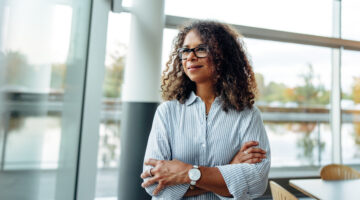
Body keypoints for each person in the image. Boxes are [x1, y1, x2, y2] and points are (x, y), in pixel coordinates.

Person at [140, 20, 270, 200]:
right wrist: (230, 170)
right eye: (185, 50)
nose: (190, 57)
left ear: (222, 55)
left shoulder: (248, 114)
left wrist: (187, 173)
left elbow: (256, 183)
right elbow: (156, 186)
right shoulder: (167, 112)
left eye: (201, 49)